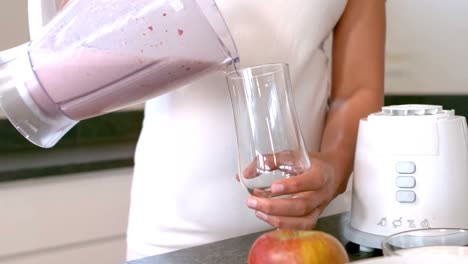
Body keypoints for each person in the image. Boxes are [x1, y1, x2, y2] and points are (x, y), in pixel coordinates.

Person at [62, 0, 386, 260]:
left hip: (312, 231)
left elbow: (356, 92)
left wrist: (333, 168)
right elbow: (72, 36)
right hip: (173, 235)